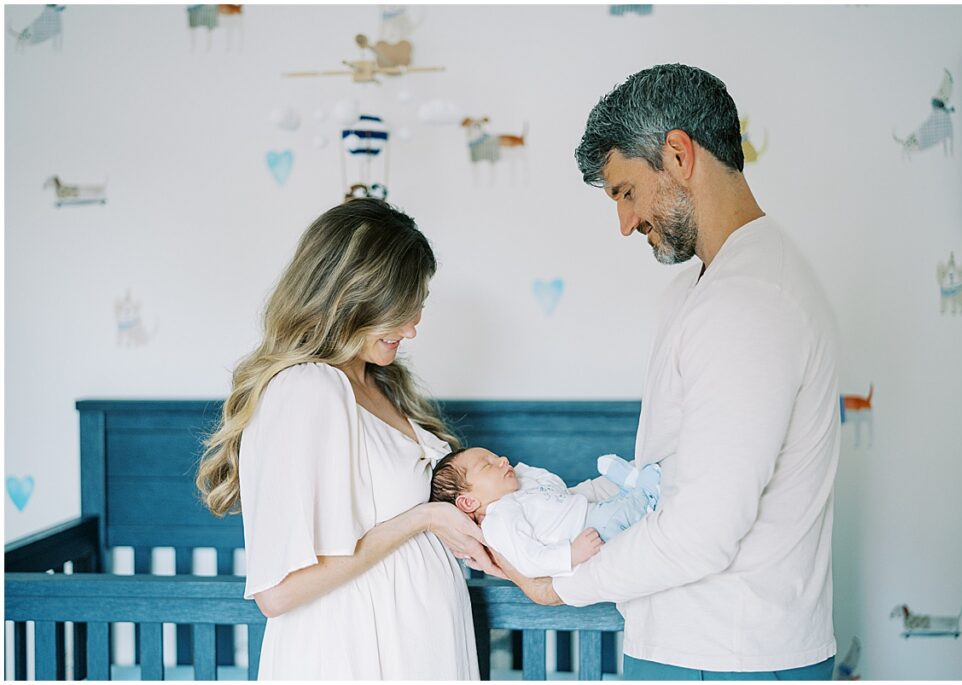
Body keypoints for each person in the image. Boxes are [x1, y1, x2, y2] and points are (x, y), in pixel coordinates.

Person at [497, 64, 841, 680]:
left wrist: (562, 586)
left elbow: (701, 532)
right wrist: (545, 511)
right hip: (693, 645)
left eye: (627, 192)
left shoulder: (750, 301)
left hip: (726, 652)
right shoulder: (701, 291)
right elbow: (658, 479)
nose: (625, 223)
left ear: (679, 154)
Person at [195, 198, 499, 679]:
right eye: (401, 309)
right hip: (352, 655)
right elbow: (280, 592)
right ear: (352, 298)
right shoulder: (308, 388)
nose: (412, 327)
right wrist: (423, 518)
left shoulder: (379, 383)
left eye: (416, 306)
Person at [430, 448, 661, 578]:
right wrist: (570, 554)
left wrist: (523, 474)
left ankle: (633, 486)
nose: (502, 460)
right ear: (468, 502)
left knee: (615, 505)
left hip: (591, 511)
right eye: (488, 465)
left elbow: (556, 485)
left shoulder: (520, 489)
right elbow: (529, 560)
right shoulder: (499, 520)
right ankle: (646, 494)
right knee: (619, 514)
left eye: (497, 456)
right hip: (588, 533)